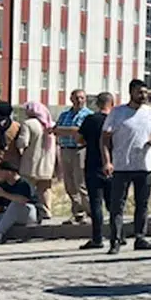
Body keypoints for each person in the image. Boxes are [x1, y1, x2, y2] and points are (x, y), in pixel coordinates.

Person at [102, 79, 151, 254]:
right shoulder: (118, 112)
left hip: (144, 166)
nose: (143, 96)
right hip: (122, 165)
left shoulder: (149, 112)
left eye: (145, 92)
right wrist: (107, 161)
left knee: (142, 204)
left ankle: (140, 237)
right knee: (117, 205)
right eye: (139, 92)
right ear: (131, 93)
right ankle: (116, 240)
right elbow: (105, 139)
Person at [77, 92, 114, 250]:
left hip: (93, 164)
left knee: (96, 203)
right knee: (114, 203)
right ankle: (118, 235)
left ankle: (97, 238)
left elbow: (80, 139)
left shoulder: (90, 120)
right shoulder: (115, 120)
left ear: (98, 104)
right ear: (112, 103)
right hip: (113, 164)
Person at [52, 90, 91, 223]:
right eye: (76, 98)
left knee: (81, 183)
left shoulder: (88, 115)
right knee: (69, 184)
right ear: (71, 99)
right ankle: (78, 212)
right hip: (65, 149)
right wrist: (70, 131)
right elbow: (56, 130)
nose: (79, 100)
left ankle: (90, 211)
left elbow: (80, 132)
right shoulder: (64, 114)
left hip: (80, 150)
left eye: (82, 98)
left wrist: (68, 131)